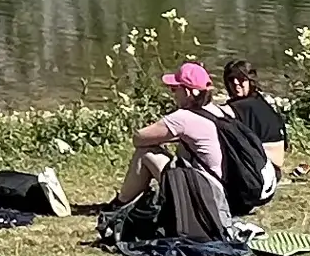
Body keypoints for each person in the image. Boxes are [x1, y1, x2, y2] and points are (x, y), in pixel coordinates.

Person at [120, 62, 232, 243]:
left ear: (187, 92)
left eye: (174, 89)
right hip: (222, 191)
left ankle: (120, 203)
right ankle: (127, 202)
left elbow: (138, 138)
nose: (172, 94)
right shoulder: (218, 111)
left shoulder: (183, 118)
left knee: (146, 152)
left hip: (202, 192)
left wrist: (164, 138)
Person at [218, 59, 291, 196]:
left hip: (260, 176)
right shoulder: (260, 100)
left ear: (250, 80)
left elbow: (211, 114)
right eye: (231, 79)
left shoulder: (246, 106)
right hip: (271, 172)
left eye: (240, 79)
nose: (235, 83)